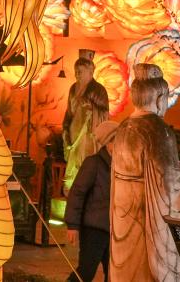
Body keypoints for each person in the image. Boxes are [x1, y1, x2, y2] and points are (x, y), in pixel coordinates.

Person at [110, 63, 180, 282]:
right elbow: (169, 186)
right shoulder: (158, 130)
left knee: (127, 271)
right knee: (145, 271)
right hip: (145, 213)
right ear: (159, 98)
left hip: (122, 211)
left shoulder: (123, 127)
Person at [65, 120, 118, 282]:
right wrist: (72, 225)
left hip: (115, 230)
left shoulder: (123, 166)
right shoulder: (94, 163)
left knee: (114, 274)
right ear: (108, 143)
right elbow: (77, 193)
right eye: (117, 140)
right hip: (94, 228)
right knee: (86, 271)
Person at [63, 49, 110, 192]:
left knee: (87, 163)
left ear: (90, 72)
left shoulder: (98, 90)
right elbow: (69, 111)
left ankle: (87, 188)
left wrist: (90, 109)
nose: (77, 74)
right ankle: (71, 189)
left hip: (89, 134)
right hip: (74, 132)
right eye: (76, 71)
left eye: (80, 72)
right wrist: (65, 128)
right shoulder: (73, 89)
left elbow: (104, 113)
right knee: (73, 165)